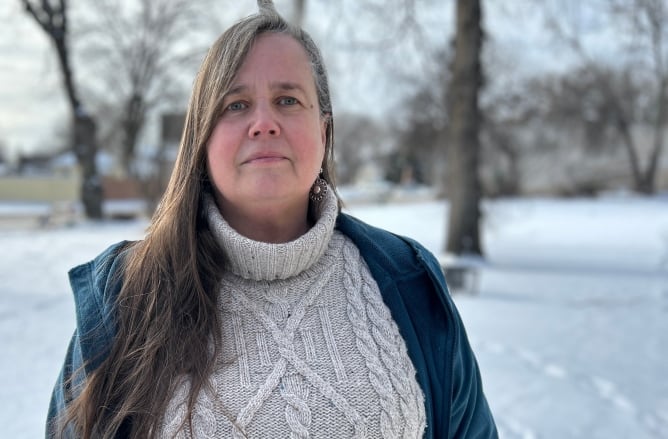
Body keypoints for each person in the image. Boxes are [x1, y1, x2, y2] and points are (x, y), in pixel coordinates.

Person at [47, 1, 498, 438]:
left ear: (323, 132)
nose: (263, 123)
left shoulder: (408, 279)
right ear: (202, 139)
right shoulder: (127, 296)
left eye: (287, 99)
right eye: (235, 105)